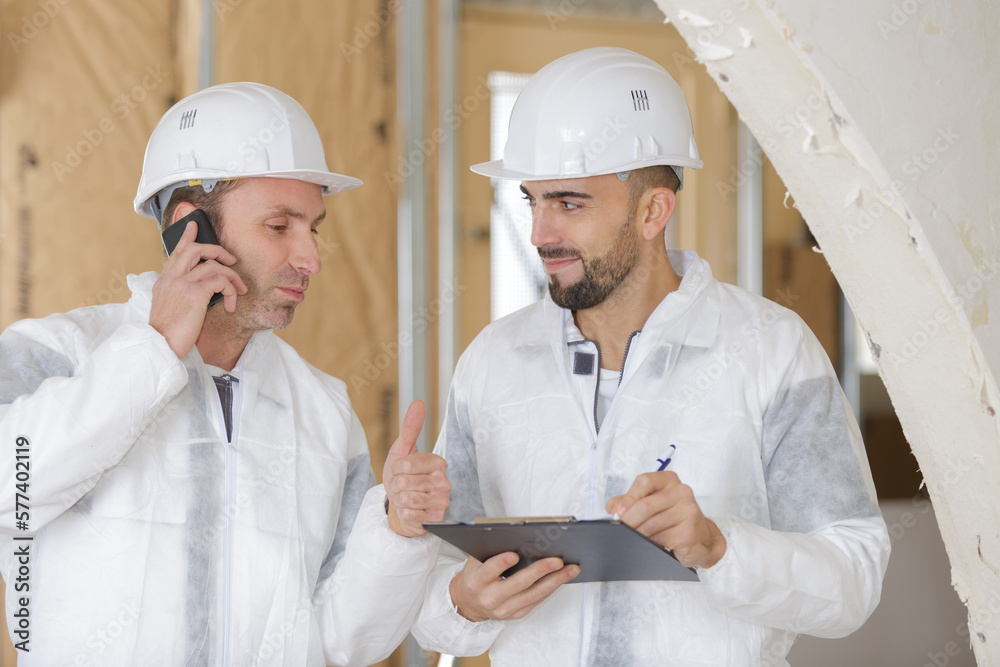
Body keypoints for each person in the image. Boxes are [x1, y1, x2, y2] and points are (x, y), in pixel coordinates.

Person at [411, 47, 890, 665]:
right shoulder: (495, 361)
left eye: (569, 202)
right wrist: (464, 605)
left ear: (652, 211)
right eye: (532, 200)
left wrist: (719, 548)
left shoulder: (770, 350)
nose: (539, 234)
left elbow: (853, 582)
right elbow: (438, 601)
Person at [0, 82, 450, 665]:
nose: (310, 257)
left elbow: (341, 643)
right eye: (279, 226)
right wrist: (154, 349)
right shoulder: (53, 353)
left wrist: (396, 533)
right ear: (191, 229)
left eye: (313, 227)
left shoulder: (321, 408)